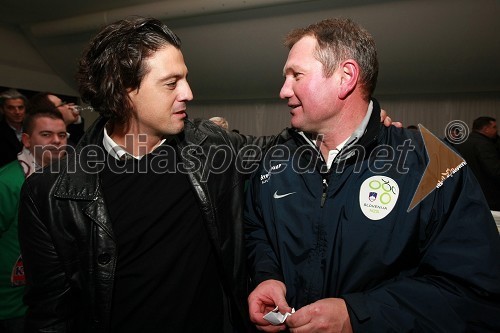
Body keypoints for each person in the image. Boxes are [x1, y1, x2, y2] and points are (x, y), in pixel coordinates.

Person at [17, 17, 395, 333]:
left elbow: (281, 150)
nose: (189, 92)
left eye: (185, 78)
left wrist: (365, 127)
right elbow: (51, 315)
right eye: (171, 83)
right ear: (124, 91)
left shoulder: (209, 147)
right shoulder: (50, 194)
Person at [245, 18, 500, 332]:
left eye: (296, 75)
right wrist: (268, 276)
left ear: (346, 77)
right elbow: (258, 231)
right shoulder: (276, 160)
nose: (284, 90)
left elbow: (474, 292)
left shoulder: (433, 164)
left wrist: (360, 315)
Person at [0, 108, 67, 333]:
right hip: (12, 307)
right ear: (27, 140)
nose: (57, 141)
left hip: (55, 301)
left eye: (62, 135)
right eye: (46, 134)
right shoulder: (8, 182)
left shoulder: (70, 180)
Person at [457, 116, 500, 210]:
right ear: (486, 129)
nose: (496, 130)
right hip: (488, 192)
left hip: (469, 190)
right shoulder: (484, 144)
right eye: (494, 127)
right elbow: (495, 170)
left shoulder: (464, 141)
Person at [0, 89, 27, 168]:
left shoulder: (32, 129)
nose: (17, 112)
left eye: (20, 107)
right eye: (11, 108)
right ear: (2, 110)